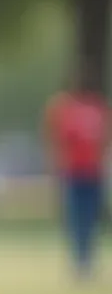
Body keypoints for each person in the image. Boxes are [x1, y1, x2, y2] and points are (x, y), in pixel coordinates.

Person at [43, 69, 109, 279]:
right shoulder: (63, 107)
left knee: (90, 218)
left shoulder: (98, 107)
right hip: (72, 172)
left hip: (93, 172)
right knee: (75, 218)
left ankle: (88, 259)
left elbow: (104, 140)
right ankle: (78, 261)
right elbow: (54, 138)